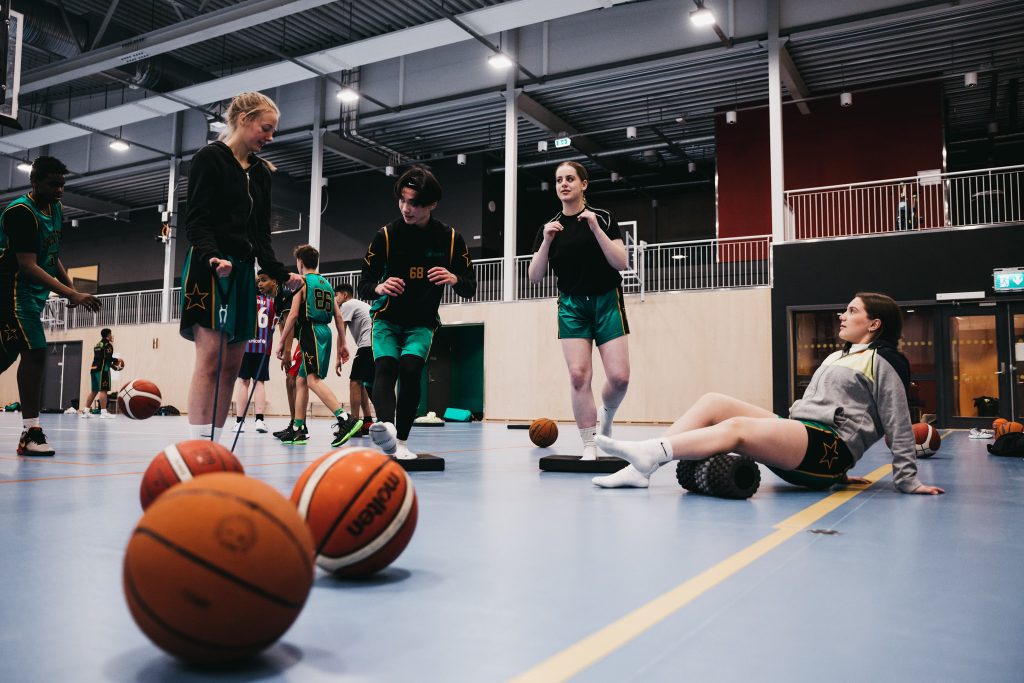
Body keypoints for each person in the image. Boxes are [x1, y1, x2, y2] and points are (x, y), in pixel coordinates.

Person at [592, 293, 945, 496]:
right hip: (803, 437)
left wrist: (907, 479)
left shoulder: (884, 360)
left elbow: (896, 420)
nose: (842, 315)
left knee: (738, 428)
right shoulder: (839, 355)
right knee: (714, 401)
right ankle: (643, 468)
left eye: (852, 311)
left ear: (874, 324)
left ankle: (649, 453)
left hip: (826, 447)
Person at [179, 91, 302, 444]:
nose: (270, 137)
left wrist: (280, 273)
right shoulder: (209, 158)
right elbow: (196, 221)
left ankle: (215, 443)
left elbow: (261, 235)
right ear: (245, 120)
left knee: (233, 364)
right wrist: (213, 256)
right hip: (211, 268)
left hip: (245, 272)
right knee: (211, 358)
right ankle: (197, 444)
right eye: (266, 128)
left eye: (273, 131)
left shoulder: (262, 174)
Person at [359, 166, 476, 459]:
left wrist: (454, 278)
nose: (406, 208)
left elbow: (470, 286)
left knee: (411, 371)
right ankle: (387, 431)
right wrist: (380, 287)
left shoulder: (450, 240)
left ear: (431, 205)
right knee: (385, 368)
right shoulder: (385, 236)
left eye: (414, 203)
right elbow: (364, 284)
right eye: (402, 200)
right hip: (386, 318)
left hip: (422, 322)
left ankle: (401, 442)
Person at [528, 161, 630, 460]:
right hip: (572, 305)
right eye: (559, 180)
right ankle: (589, 444)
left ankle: (607, 417)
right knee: (578, 375)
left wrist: (595, 228)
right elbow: (534, 276)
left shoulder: (605, 218)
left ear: (583, 184)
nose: (564, 184)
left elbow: (621, 263)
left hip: (607, 301)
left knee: (620, 377)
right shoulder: (549, 228)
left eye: (570, 179)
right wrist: (546, 241)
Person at [0, 155, 100, 455]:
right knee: (36, 352)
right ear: (35, 182)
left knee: (6, 355)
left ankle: (30, 430)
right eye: (52, 184)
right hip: (11, 288)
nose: (59, 190)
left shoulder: (55, 208)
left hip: (31, 291)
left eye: (62, 184)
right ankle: (31, 431)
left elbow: (51, 253)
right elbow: (28, 264)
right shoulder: (20, 213)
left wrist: (70, 286)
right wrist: (71, 295)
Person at [276, 244, 363, 447]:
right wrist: (343, 343)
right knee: (301, 379)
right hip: (325, 331)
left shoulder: (302, 282)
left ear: (300, 263)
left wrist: (281, 341)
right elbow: (339, 317)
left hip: (311, 332)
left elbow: (294, 314)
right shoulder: (327, 284)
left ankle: (345, 419)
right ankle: (298, 428)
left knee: (312, 380)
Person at [231, 272, 277, 434]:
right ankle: (259, 420)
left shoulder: (245, 302)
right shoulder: (271, 304)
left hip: (245, 347)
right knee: (260, 383)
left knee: (243, 382)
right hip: (263, 348)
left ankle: (239, 422)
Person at [334, 282, 376, 434]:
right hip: (375, 344)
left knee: (354, 382)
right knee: (362, 382)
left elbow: (341, 332)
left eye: (336, 296)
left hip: (367, 344)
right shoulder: (359, 304)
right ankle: (367, 421)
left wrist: (338, 358)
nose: (335, 300)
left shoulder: (347, 305)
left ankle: (353, 424)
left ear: (344, 295)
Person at [81, 327, 116, 418]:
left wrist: (113, 367)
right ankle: (104, 413)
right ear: (108, 335)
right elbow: (108, 359)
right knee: (103, 390)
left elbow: (102, 358)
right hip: (102, 370)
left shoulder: (97, 344)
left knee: (94, 391)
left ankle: (86, 411)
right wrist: (117, 360)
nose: (112, 336)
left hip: (93, 369)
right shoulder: (108, 345)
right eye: (111, 334)